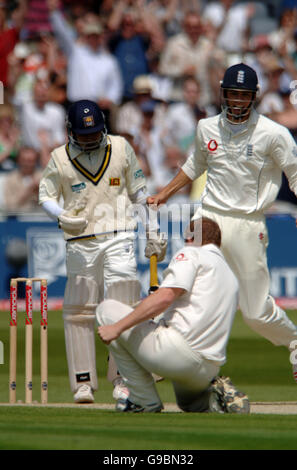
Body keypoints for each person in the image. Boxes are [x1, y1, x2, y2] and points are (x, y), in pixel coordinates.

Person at [147, 63, 297, 384]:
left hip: (247, 223)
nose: (238, 102)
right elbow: (194, 166)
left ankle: (294, 341)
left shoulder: (274, 134)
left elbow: (294, 174)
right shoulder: (206, 128)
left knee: (255, 314)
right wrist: (164, 193)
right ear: (222, 94)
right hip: (209, 217)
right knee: (184, 286)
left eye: (244, 96)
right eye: (233, 94)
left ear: (254, 97)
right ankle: (163, 352)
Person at [39, 99, 167, 404]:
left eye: (93, 133)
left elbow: (138, 191)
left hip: (119, 233)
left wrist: (152, 228)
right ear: (70, 131)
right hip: (80, 240)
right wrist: (61, 216)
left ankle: (123, 377)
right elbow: (45, 195)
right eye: (82, 135)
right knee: (80, 309)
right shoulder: (59, 158)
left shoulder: (121, 147)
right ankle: (82, 382)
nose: (89, 139)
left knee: (122, 301)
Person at [97, 217, 250, 414]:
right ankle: (216, 400)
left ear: (191, 238)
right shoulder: (229, 273)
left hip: (178, 354)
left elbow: (165, 297)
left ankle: (143, 401)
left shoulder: (191, 253)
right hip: (208, 368)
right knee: (189, 405)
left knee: (106, 311)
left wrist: (117, 328)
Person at [3, 146, 42, 212]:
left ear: (36, 161)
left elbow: (52, 204)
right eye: (24, 160)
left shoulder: (43, 177)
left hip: (40, 218)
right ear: (18, 161)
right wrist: (28, 190)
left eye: (30, 161)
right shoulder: (11, 179)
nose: (27, 164)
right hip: (18, 218)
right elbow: (9, 206)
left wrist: (39, 193)